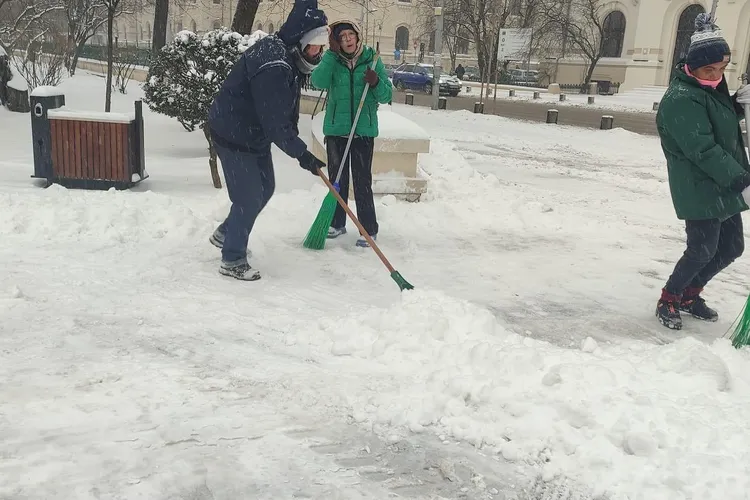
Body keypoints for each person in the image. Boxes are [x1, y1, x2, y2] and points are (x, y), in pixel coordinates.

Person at [206, 0, 329, 281]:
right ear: (301, 40)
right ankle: (232, 258)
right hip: (234, 133)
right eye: (316, 46)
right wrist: (303, 155)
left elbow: (280, 114)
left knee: (266, 187)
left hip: (252, 133)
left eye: (322, 47)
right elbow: (275, 123)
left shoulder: (287, 53)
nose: (318, 53)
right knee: (249, 197)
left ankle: (227, 231)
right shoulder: (274, 64)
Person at [655, 13, 750, 330]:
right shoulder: (680, 99)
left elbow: (716, 120)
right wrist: (741, 179)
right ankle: (670, 297)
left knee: (732, 247)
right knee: (702, 250)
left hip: (722, 183)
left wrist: (736, 104)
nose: (717, 74)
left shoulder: (710, 88)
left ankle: (690, 295)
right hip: (699, 186)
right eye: (709, 69)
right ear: (690, 67)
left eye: (722, 68)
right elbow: (703, 148)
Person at [310, 20, 392, 247]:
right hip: (337, 130)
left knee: (362, 181)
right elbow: (317, 82)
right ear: (336, 41)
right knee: (338, 180)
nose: (347, 40)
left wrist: (376, 83)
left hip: (363, 132)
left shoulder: (372, 60)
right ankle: (337, 223)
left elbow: (386, 96)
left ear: (357, 35)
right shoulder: (333, 61)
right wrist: (329, 55)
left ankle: (368, 229)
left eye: (350, 35)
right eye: (341, 36)